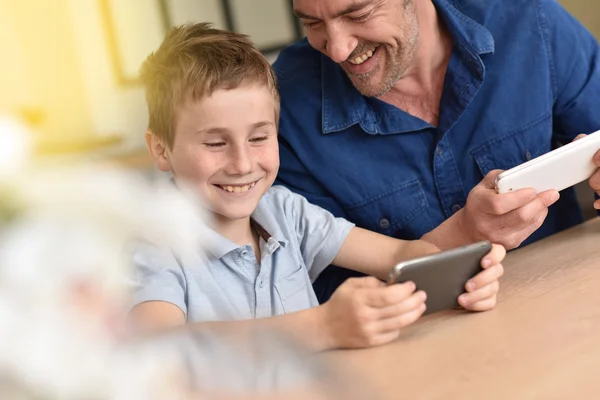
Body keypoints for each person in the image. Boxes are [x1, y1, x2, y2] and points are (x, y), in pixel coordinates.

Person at [128, 22, 505, 351]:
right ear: (161, 150)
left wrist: (460, 276)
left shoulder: (284, 212)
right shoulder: (154, 244)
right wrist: (323, 327)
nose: (242, 164)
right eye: (215, 143)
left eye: (259, 138)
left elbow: (402, 255)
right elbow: (162, 347)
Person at [273, 0, 600, 301]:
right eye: (313, 23)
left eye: (358, 14)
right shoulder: (283, 111)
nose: (339, 50)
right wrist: (462, 237)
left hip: (566, 304)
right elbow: (309, 292)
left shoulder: (529, 20)